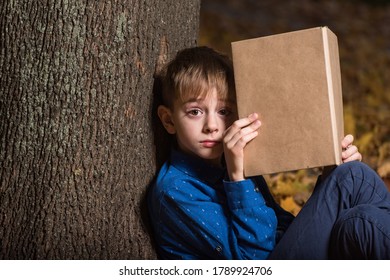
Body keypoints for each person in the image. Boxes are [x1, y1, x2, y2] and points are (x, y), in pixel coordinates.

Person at [148, 46, 390, 259]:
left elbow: (283, 227)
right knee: (355, 186)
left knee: (356, 215)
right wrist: (238, 179)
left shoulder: (228, 163)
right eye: (195, 112)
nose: (212, 126)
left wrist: (331, 174)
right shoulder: (174, 192)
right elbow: (256, 261)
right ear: (168, 120)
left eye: (224, 112)